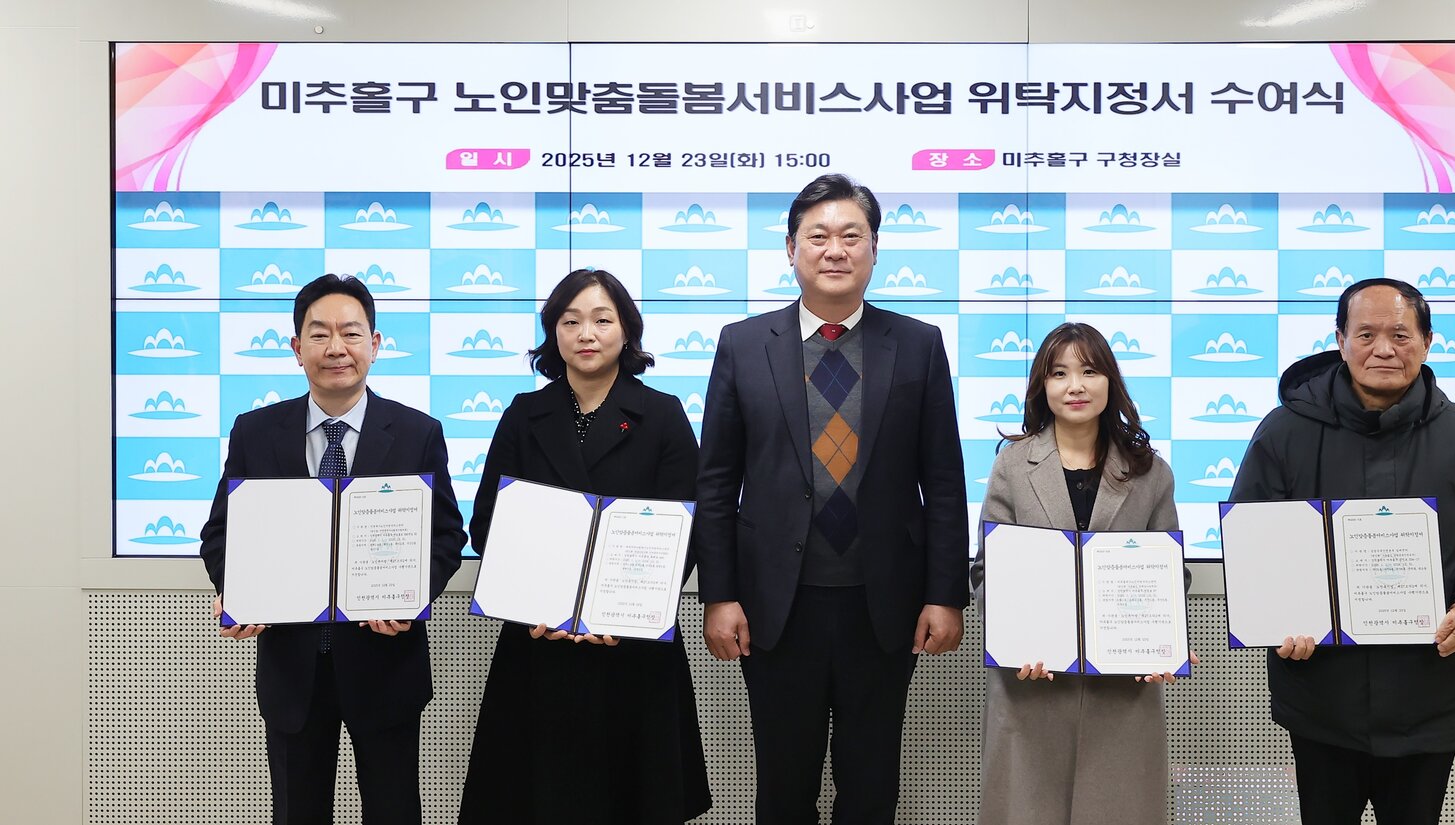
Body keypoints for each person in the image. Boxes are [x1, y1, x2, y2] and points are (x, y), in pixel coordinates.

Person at [693, 173, 969, 824]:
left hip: (884, 602)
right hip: (775, 605)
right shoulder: (742, 344)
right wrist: (718, 594)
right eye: (818, 236)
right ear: (791, 249)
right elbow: (716, 482)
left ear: (875, 249)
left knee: (871, 787)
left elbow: (944, 480)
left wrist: (946, 594)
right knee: (783, 788)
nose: (835, 249)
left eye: (852, 235)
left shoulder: (918, 344)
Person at [1229, 278, 1455, 825]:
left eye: (1400, 334)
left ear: (1428, 342)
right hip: (1323, 695)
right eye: (1366, 334)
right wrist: (1278, 618)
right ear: (1340, 341)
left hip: (1428, 692)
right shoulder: (1284, 433)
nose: (1383, 349)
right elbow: (1253, 540)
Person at [199, 273, 467, 825]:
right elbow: (221, 534)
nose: (336, 348)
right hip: (292, 668)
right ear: (297, 348)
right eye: (319, 334)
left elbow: (446, 536)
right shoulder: (255, 432)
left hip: (386, 663)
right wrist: (238, 590)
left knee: (394, 812)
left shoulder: (417, 433)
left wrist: (411, 596)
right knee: (298, 813)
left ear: (375, 343)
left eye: (351, 332)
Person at [457, 269, 711, 824]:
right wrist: (532, 601)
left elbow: (688, 530)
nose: (586, 334)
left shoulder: (663, 415)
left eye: (602, 319)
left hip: (632, 645)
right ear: (554, 333)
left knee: (632, 800)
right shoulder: (524, 414)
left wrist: (622, 610)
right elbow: (488, 525)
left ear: (627, 330)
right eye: (570, 322)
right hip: (538, 641)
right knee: (537, 801)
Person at [971, 322, 1189, 824]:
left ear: (1110, 381)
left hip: (1123, 692)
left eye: (1089, 372)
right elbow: (987, 572)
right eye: (1059, 373)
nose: (1075, 386)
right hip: (1031, 687)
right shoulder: (1012, 466)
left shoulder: (1150, 471)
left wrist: (1165, 642)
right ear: (1041, 386)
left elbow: (1170, 573)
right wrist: (1013, 639)